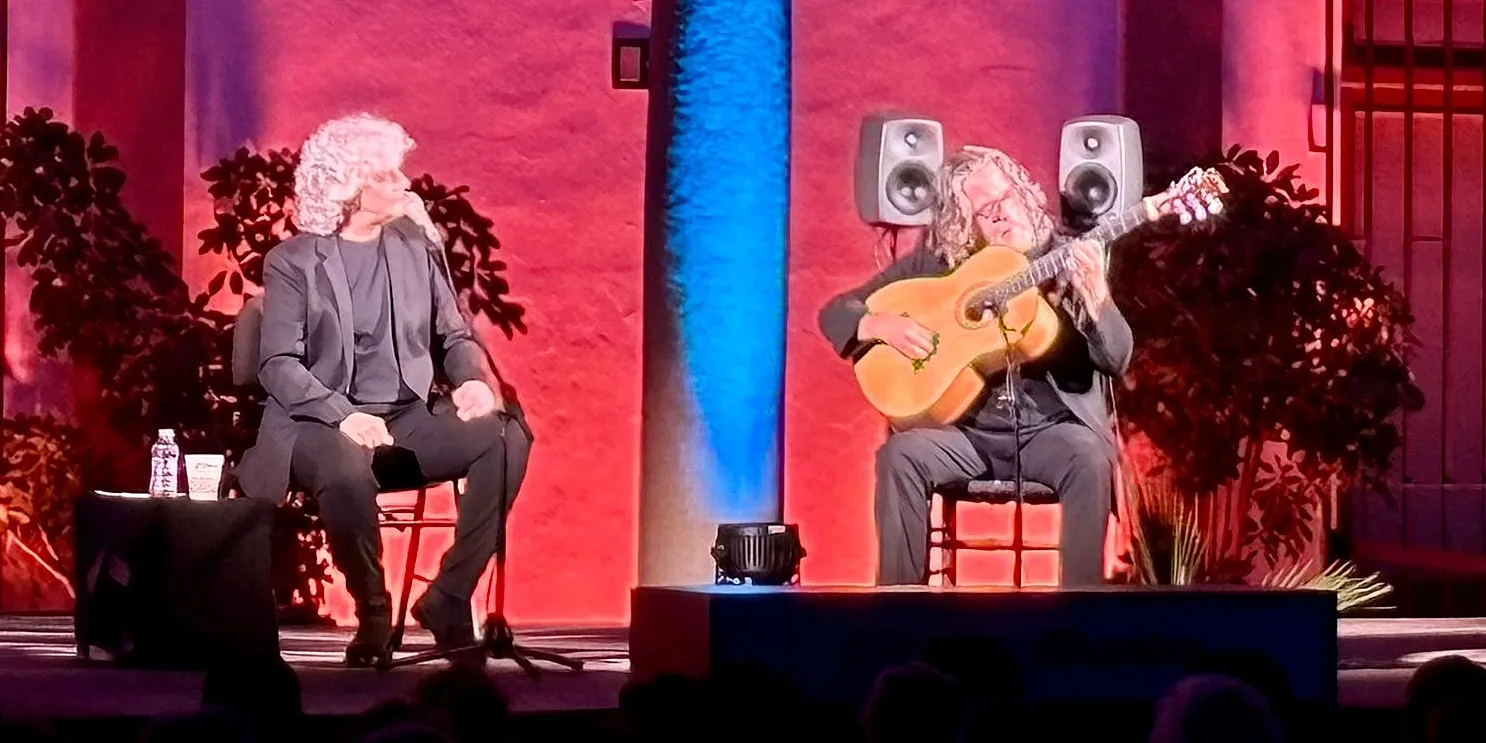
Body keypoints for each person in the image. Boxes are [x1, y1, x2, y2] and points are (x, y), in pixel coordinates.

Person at [231, 113, 532, 667]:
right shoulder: (295, 261)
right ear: (351, 185)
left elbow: (455, 333)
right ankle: (372, 608)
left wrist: (473, 382)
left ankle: (448, 595)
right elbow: (276, 364)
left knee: (506, 435)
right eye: (387, 175)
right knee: (345, 465)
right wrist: (342, 414)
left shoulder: (414, 247)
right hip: (316, 423)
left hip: (404, 417)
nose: (403, 184)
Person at [819, 145, 1132, 587]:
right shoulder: (943, 268)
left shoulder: (1070, 258)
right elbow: (835, 312)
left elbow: (1117, 357)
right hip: (965, 437)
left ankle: (1078, 614)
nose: (1002, 215)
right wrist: (877, 324)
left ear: (1024, 193)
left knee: (1089, 455)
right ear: (967, 226)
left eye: (1005, 199)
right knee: (900, 455)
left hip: (1049, 434)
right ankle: (897, 609)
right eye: (985, 212)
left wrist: (1098, 295)